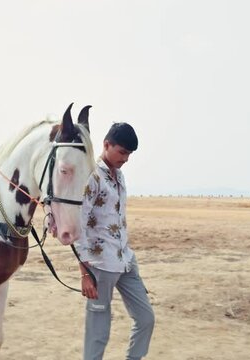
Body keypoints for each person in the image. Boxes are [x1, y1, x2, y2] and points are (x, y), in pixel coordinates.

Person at [76, 122, 155, 360]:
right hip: (100, 266)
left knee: (146, 318)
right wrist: (84, 272)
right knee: (98, 332)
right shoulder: (91, 176)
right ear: (106, 144)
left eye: (129, 154)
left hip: (126, 260)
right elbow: (79, 225)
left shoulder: (119, 176)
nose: (126, 158)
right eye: (122, 152)